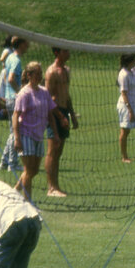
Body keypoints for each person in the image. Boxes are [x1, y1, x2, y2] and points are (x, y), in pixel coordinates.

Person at [12, 60, 59, 202]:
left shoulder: (44, 92)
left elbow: (50, 114)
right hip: (26, 134)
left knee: (34, 171)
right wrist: (17, 137)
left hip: (39, 135)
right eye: (37, 73)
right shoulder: (24, 93)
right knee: (28, 170)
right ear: (30, 75)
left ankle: (13, 192)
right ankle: (28, 202)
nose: (40, 76)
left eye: (41, 73)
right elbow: (16, 115)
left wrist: (55, 133)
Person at [44, 47, 77, 198]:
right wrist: (60, 117)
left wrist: (71, 115)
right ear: (57, 53)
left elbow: (66, 95)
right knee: (52, 151)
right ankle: (51, 187)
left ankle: (56, 186)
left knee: (59, 152)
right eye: (65, 51)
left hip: (63, 112)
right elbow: (48, 99)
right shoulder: (51, 72)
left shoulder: (66, 70)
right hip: (53, 114)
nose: (68, 53)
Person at [0, 36, 30, 176]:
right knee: (15, 132)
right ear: (21, 44)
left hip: (9, 98)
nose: (28, 45)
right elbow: (10, 79)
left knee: (13, 131)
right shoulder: (16, 60)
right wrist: (19, 92)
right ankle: (12, 163)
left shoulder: (10, 57)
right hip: (13, 99)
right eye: (26, 42)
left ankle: (4, 162)